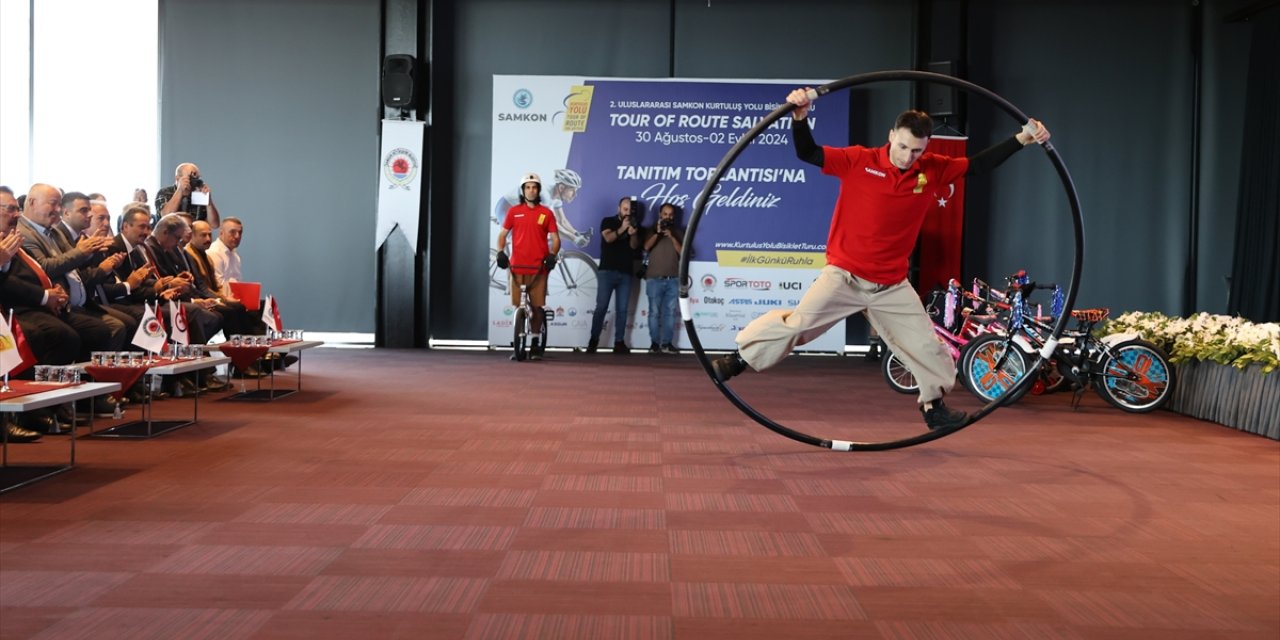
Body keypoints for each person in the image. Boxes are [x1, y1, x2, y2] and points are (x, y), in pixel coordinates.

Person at [711, 88, 1052, 431]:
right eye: (902, 146)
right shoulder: (859, 160)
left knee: (927, 346)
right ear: (891, 136)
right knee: (798, 326)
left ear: (927, 147)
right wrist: (800, 118)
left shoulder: (932, 169)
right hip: (843, 276)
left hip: (891, 285)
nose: (907, 156)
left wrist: (1022, 138)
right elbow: (808, 153)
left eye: (917, 150)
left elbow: (977, 166)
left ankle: (933, 407)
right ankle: (738, 359)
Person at [495, 172, 560, 360]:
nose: (531, 191)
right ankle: (518, 340)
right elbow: (502, 235)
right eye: (527, 187)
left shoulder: (546, 213)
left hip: (539, 269)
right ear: (523, 191)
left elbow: (555, 239)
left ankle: (535, 342)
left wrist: (552, 255)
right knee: (518, 305)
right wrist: (500, 252)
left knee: (538, 307)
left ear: (539, 190)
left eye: (534, 187)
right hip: (516, 267)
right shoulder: (514, 212)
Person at [586, 197, 640, 354]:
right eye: (625, 209)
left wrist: (633, 234)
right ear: (619, 209)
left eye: (630, 210)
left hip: (626, 273)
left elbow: (635, 246)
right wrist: (623, 228)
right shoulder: (608, 221)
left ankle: (619, 342)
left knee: (622, 309)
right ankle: (593, 340)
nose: (628, 213)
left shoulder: (635, 224)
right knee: (601, 307)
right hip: (607, 271)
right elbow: (608, 238)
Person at [494, 168, 591, 248]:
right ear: (561, 188)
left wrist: (576, 233)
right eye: (572, 191)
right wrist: (573, 238)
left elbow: (562, 221)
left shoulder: (557, 198)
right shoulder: (544, 195)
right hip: (506, 209)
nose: (575, 195)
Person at [641, 203, 683, 354]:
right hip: (654, 278)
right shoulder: (652, 229)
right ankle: (654, 344)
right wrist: (658, 233)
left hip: (672, 278)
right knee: (653, 312)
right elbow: (646, 247)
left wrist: (671, 236)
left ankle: (667, 343)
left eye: (671, 214)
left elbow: (683, 252)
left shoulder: (677, 231)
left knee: (670, 313)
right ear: (660, 215)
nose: (668, 217)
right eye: (665, 214)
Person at [155, 162, 220, 226]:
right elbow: (166, 217)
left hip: (193, 234)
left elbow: (214, 224)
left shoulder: (199, 195)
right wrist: (180, 191)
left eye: (197, 178)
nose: (194, 181)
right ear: (177, 178)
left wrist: (208, 201)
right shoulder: (165, 192)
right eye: (190, 177)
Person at [205, 217, 243, 298]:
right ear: (221, 233)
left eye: (240, 232)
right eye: (232, 232)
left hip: (234, 296)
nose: (237, 236)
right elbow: (219, 287)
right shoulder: (214, 252)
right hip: (220, 298)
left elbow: (238, 283)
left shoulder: (235, 255)